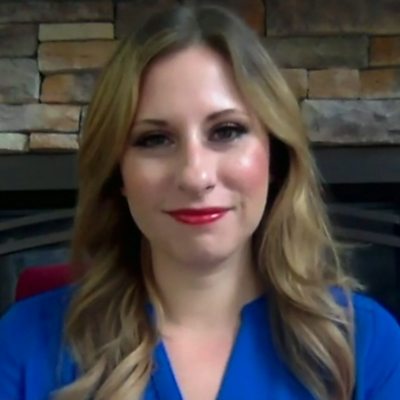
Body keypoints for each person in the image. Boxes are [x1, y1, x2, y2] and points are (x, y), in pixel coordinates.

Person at [0, 4, 399, 400]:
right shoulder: (22, 344)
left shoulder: (366, 346)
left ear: (275, 156)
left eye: (227, 131)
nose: (195, 176)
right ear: (117, 172)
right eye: (154, 139)